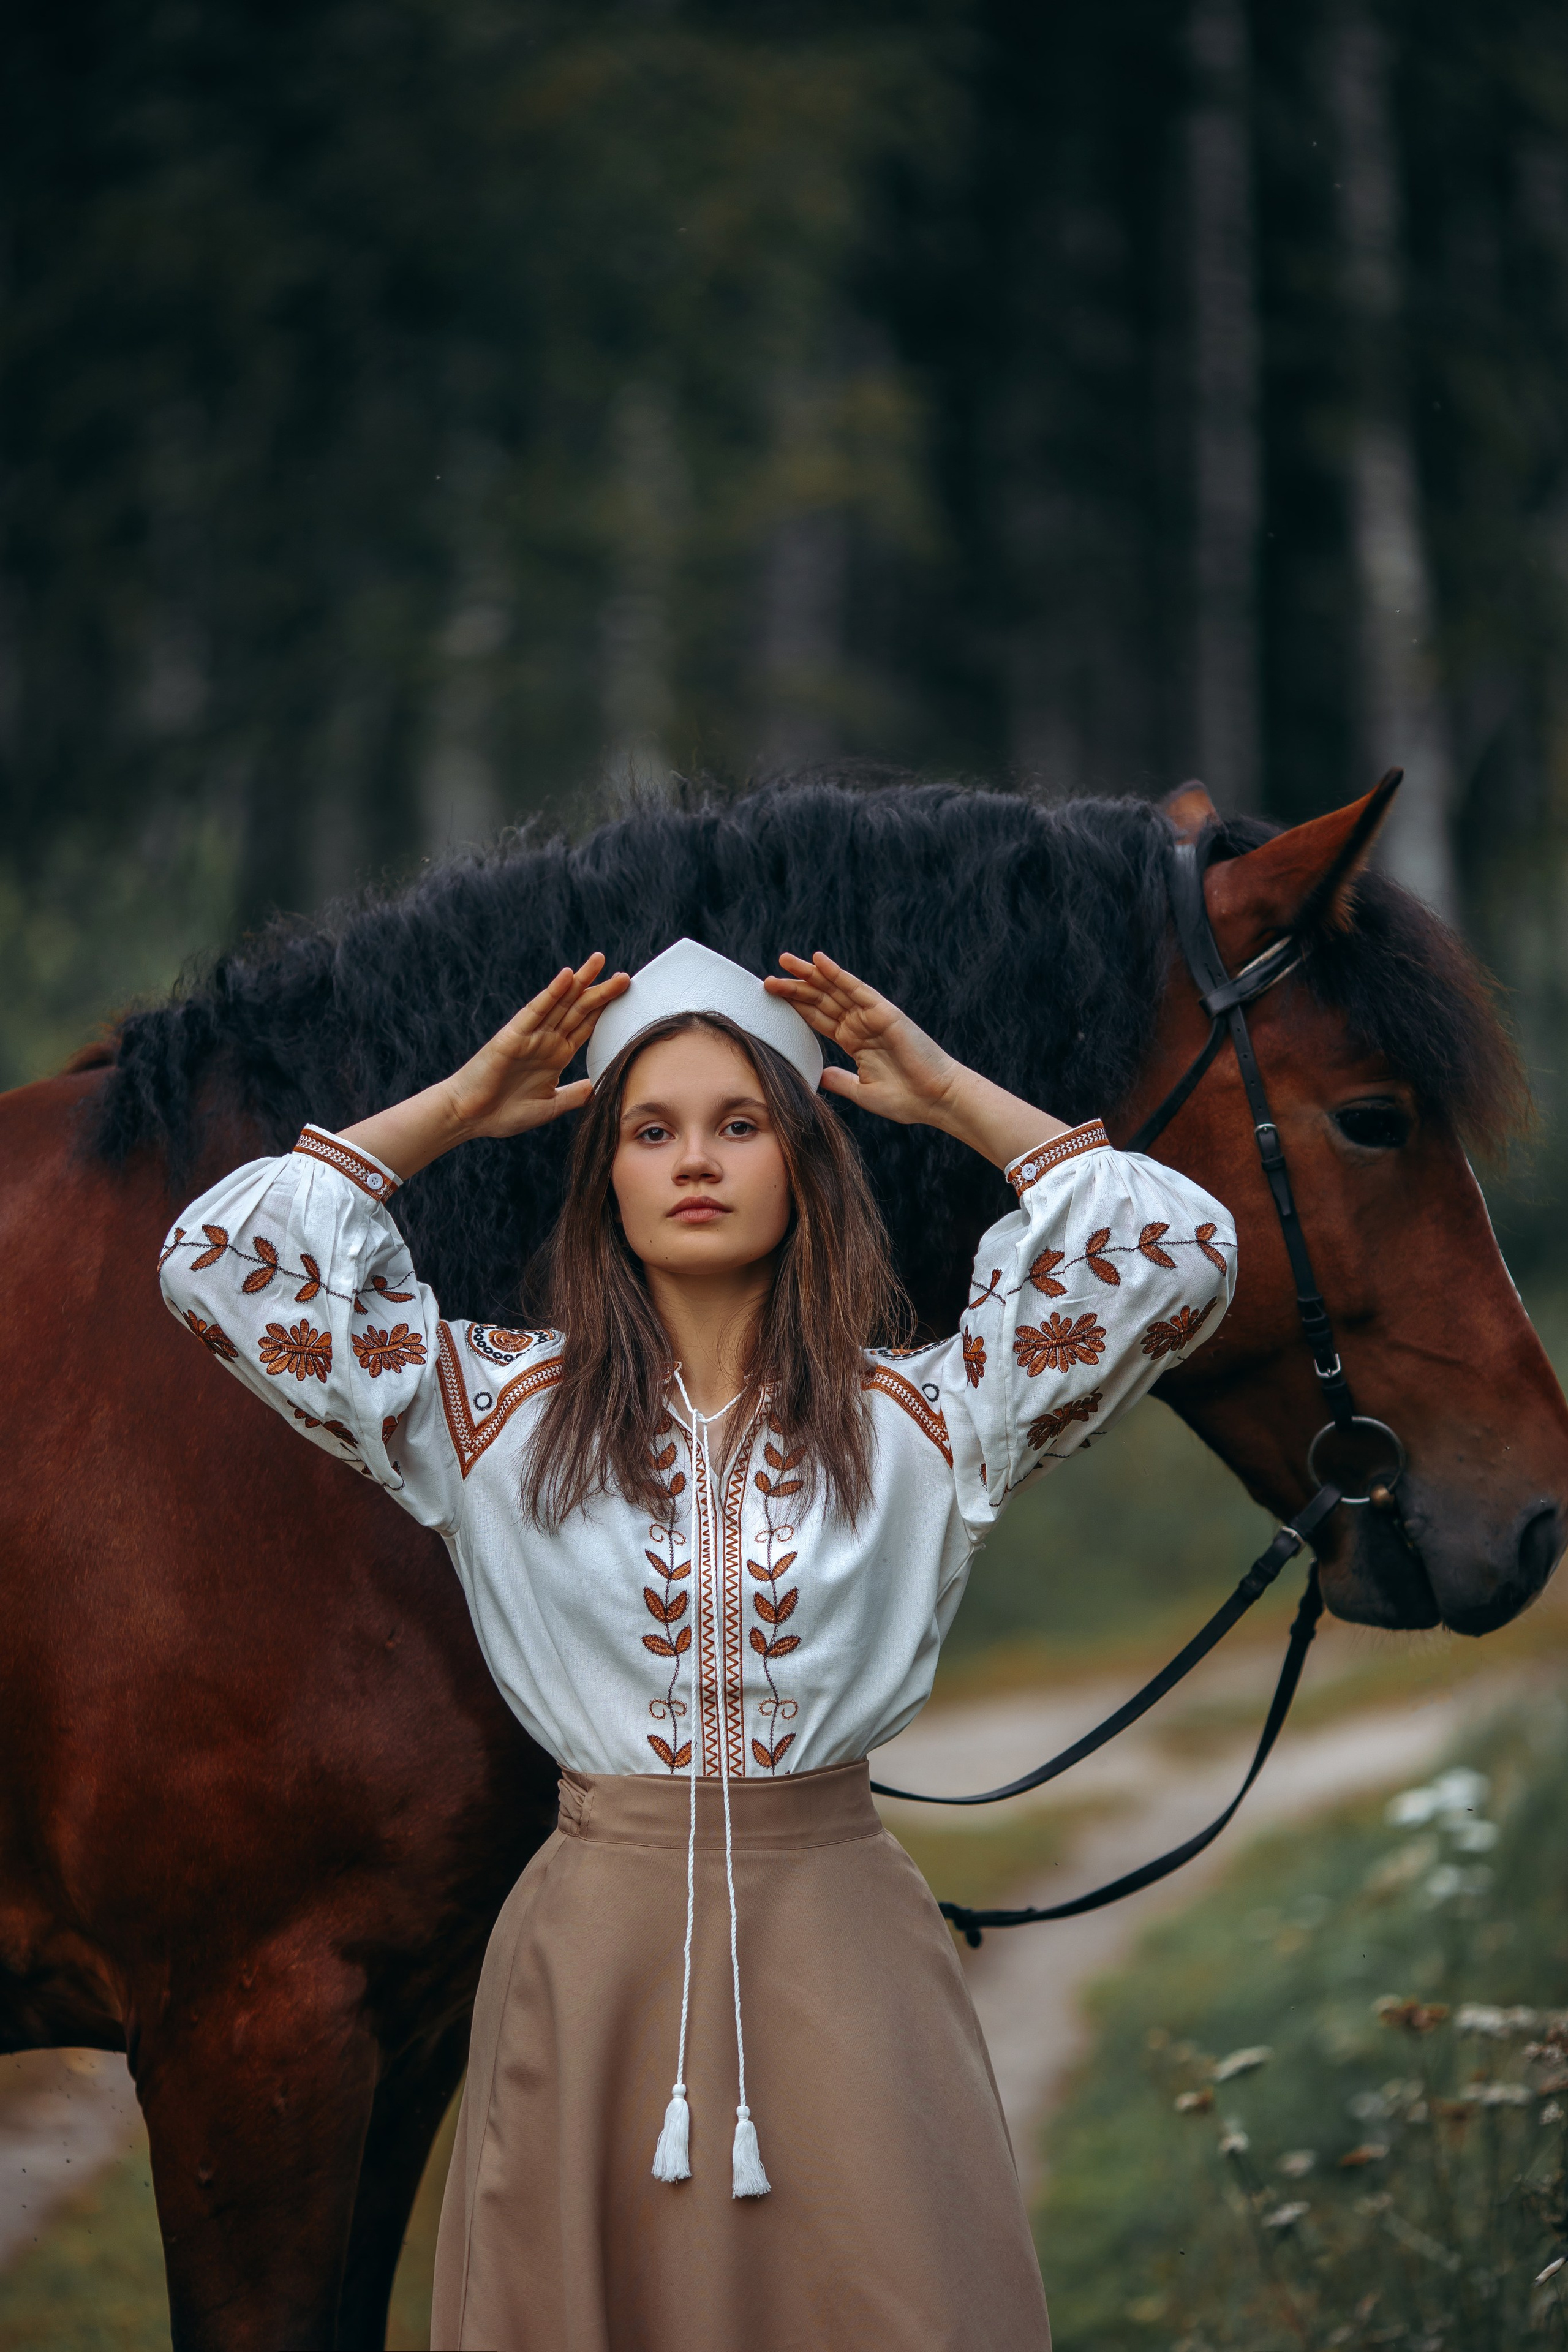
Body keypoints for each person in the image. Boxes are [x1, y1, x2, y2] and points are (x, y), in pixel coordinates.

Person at [160, 936, 1237, 2351]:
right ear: (603, 1174)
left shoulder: (933, 1416)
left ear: (802, 1159)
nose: (694, 1164)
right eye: (651, 1132)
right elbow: (218, 1263)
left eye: (738, 1126)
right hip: (589, 1959)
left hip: (847, 1951)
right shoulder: (484, 1415)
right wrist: (459, 1107)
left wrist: (948, 1094)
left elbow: (1180, 1254)